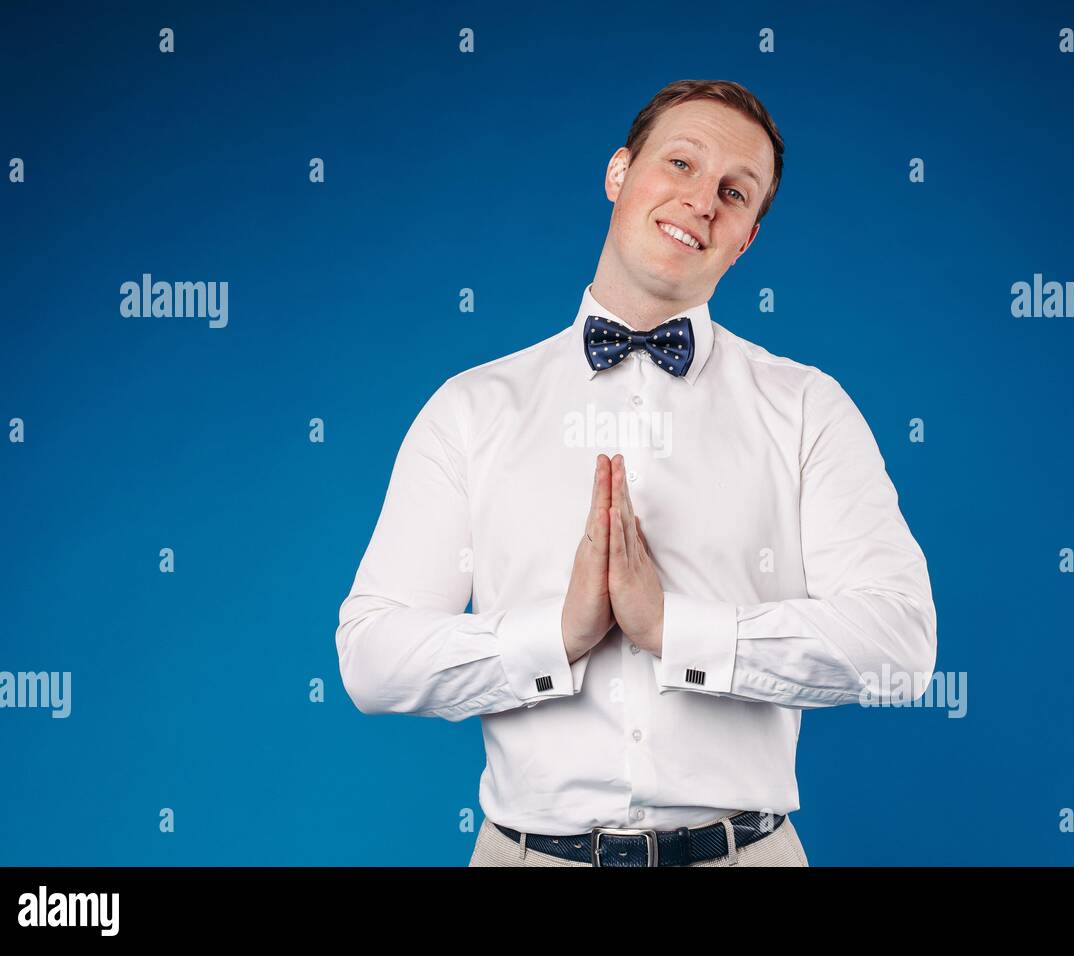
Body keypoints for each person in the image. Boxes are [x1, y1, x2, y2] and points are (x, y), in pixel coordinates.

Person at [335, 79, 938, 867]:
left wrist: (673, 630)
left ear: (748, 235)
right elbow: (372, 660)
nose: (701, 201)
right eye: (680, 164)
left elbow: (900, 645)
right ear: (619, 173)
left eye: (734, 191)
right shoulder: (471, 408)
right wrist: (559, 636)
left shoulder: (806, 407)